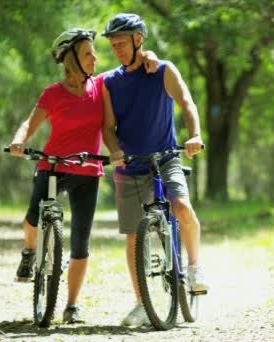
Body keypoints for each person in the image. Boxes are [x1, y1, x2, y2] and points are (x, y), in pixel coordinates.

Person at [8, 28, 158, 324]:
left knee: (80, 244)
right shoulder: (53, 93)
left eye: (94, 52)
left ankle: (72, 306)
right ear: (71, 59)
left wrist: (149, 55)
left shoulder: (100, 86)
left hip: (88, 171)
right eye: (88, 53)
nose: (95, 57)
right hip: (53, 166)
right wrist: (18, 140)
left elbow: (127, 74)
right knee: (32, 220)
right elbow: (30, 122)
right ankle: (30, 250)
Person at [101, 13, 209, 327]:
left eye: (122, 43)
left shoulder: (162, 70)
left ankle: (194, 266)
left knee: (181, 206)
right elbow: (108, 127)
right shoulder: (110, 82)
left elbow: (187, 102)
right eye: (113, 44)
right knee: (134, 236)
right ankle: (141, 301)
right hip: (130, 163)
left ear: (139, 40)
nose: (117, 49)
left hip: (166, 158)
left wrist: (195, 135)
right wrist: (114, 150)